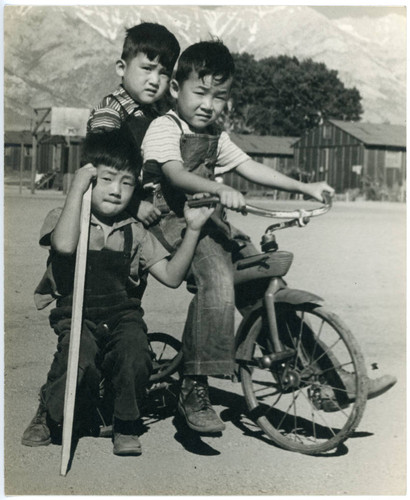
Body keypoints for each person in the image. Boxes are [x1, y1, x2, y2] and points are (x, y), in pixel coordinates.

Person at [141, 40, 397, 433]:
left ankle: (326, 379)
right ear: (176, 89)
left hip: (212, 221)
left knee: (266, 285)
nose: (210, 104)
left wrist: (305, 188)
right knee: (218, 280)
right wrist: (219, 190)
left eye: (220, 96)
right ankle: (194, 387)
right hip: (177, 223)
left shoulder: (216, 134)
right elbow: (174, 174)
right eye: (201, 92)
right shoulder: (165, 127)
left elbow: (248, 165)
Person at [21, 130, 214, 456]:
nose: (117, 190)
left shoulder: (135, 231)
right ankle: (49, 411)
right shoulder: (65, 218)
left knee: (136, 353)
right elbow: (65, 246)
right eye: (107, 179)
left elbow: (170, 276)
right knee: (78, 357)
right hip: (76, 311)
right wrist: (77, 189)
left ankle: (125, 422)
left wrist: (193, 230)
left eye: (127, 182)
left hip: (121, 313)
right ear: (89, 177)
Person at [87, 21, 180, 228]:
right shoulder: (110, 111)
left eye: (163, 73)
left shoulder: (159, 113)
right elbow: (103, 170)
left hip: (152, 205)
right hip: (117, 212)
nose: (155, 80)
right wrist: (134, 205)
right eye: (147, 68)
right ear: (122, 67)